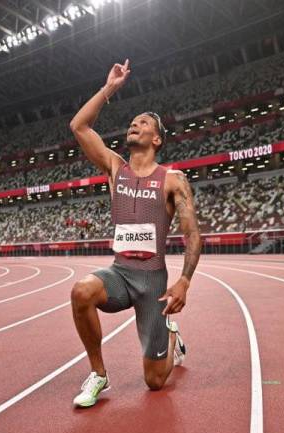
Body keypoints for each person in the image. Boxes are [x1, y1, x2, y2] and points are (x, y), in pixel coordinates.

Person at [68, 59, 201, 407]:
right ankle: (98, 374)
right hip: (120, 274)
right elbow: (79, 126)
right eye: (132, 122)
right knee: (81, 291)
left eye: (142, 123)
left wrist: (184, 281)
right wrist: (109, 89)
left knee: (154, 382)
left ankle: (171, 335)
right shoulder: (115, 167)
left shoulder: (173, 180)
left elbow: (192, 235)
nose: (134, 125)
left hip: (153, 283)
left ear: (156, 138)